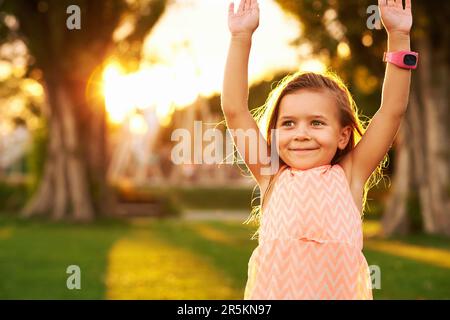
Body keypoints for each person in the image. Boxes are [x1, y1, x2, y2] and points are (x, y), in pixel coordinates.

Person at [221, 0, 417, 299]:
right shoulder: (270, 174)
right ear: (273, 132)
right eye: (288, 123)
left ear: (343, 135)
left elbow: (391, 111)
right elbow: (235, 110)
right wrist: (240, 38)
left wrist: (399, 36)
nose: (300, 134)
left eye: (316, 123)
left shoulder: (350, 174)